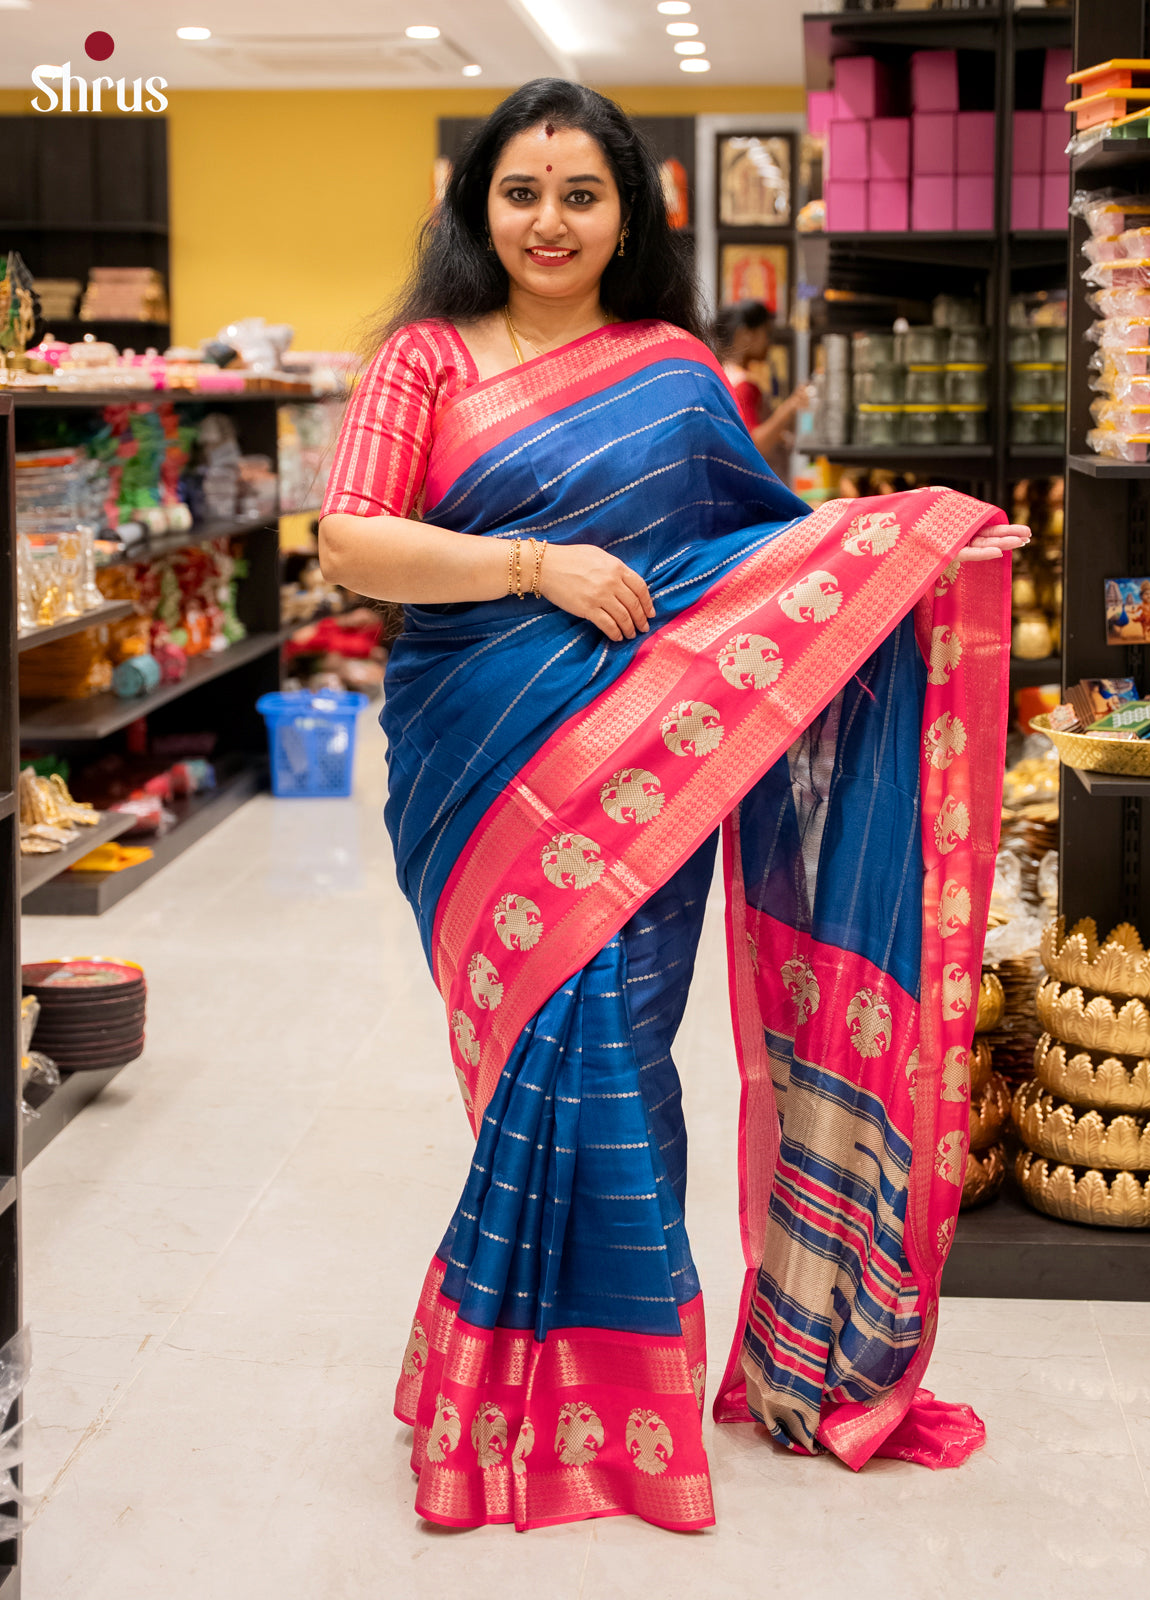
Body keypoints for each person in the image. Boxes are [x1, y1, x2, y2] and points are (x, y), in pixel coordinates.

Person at [318, 78, 1029, 1534]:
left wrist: (919, 552)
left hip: (646, 771)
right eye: (522, 190)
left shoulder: (675, 371)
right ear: (478, 206)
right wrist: (537, 567)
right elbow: (351, 543)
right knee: (532, 1060)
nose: (551, 220)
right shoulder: (426, 361)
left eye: (584, 193)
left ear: (629, 212)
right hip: (477, 769)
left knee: (618, 1055)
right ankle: (539, 1385)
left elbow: (774, 565)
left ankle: (602, 1409)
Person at [714, 298, 808, 473]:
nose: (768, 341)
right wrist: (790, 407)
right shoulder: (743, 385)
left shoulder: (721, 376)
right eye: (766, 333)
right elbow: (755, 444)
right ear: (745, 334)